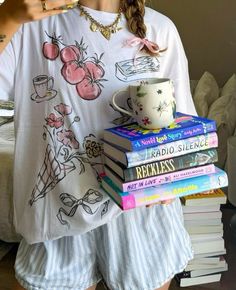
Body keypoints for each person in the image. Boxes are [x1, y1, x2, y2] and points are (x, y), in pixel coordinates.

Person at [0, 0, 197, 289]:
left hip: (141, 210)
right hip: (59, 210)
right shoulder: (29, 24)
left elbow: (183, 124)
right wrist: (6, 17)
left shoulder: (160, 28)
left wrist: (173, 180)